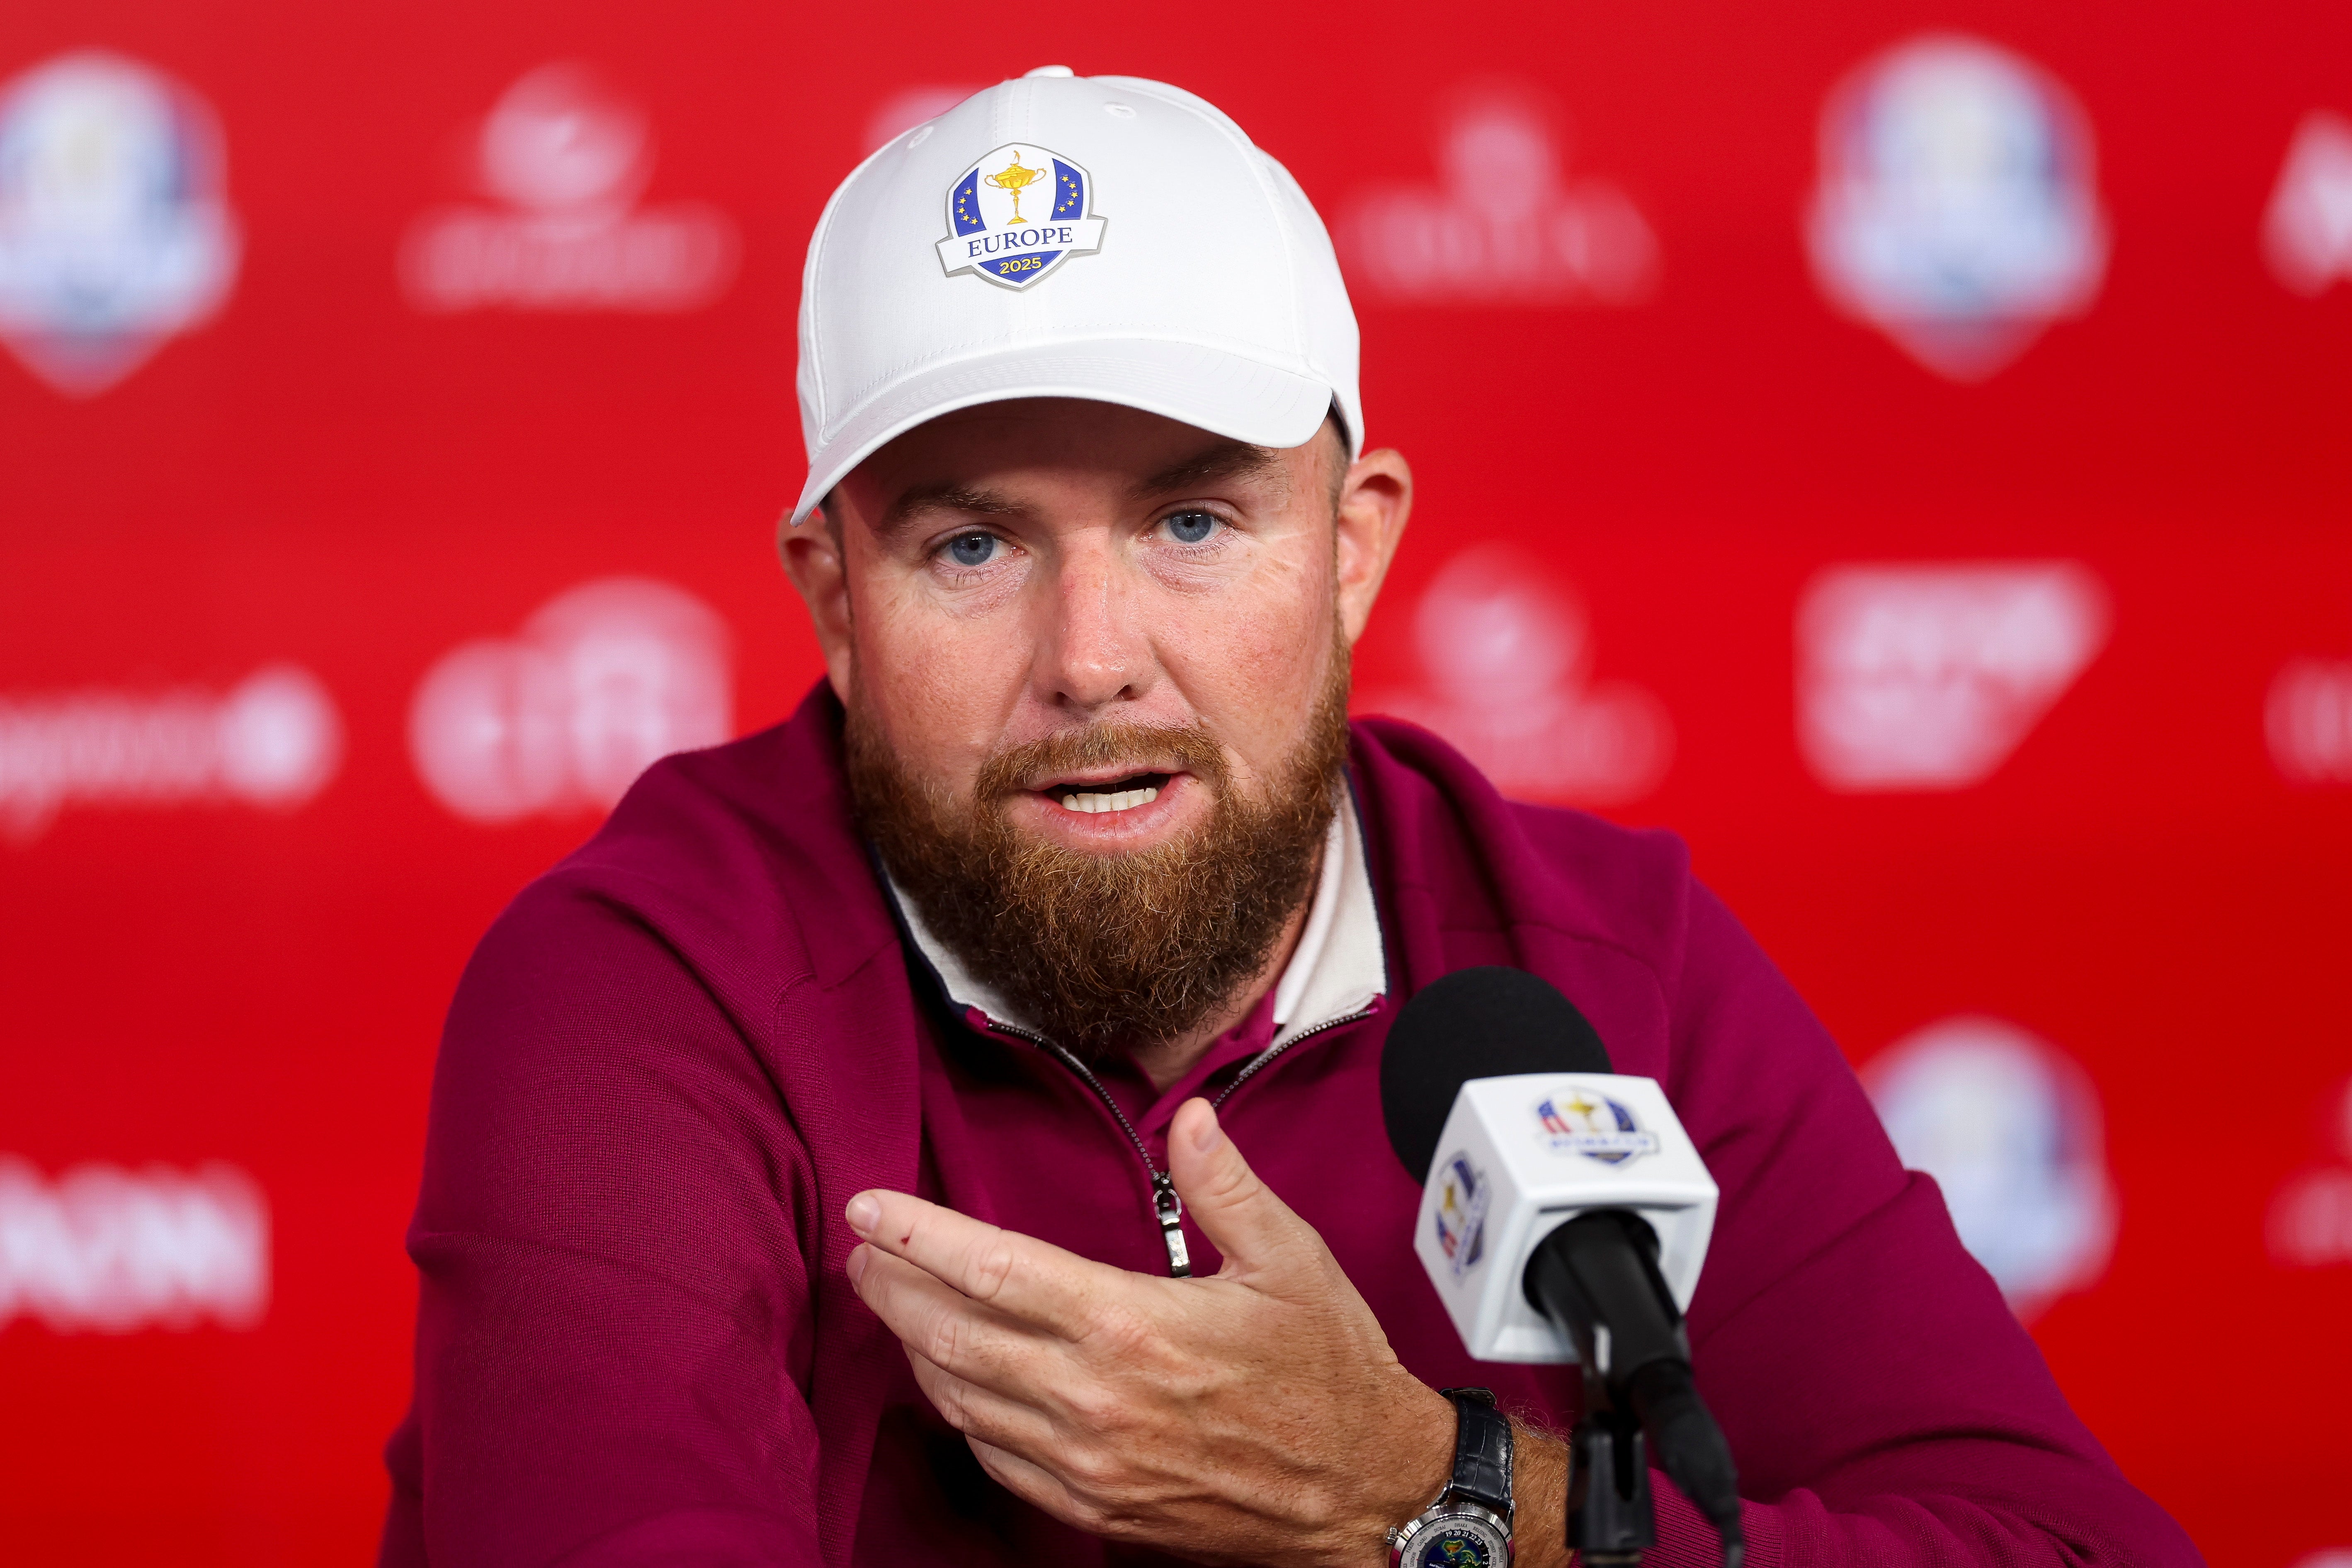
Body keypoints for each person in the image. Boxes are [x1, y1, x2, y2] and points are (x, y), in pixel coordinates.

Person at [377, 68, 2198, 1568]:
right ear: (838, 603)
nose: (1091, 662)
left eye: (1192, 522)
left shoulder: (1592, 957)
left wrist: (1427, 1488)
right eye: (971, 543)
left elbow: (2063, 1546)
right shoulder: (651, 989)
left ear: (1353, 547)